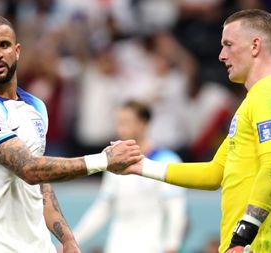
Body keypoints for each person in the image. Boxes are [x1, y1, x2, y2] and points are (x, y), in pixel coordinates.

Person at [110, 9, 271, 253]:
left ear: (255, 46)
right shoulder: (253, 101)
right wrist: (140, 166)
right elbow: (214, 173)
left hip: (261, 244)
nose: (222, 55)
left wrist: (243, 235)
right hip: (248, 244)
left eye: (228, 45)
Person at [0, 15, 143, 253]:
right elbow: (29, 169)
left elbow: (40, 182)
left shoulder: (36, 107)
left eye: (4, 45)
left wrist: (67, 238)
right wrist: (104, 161)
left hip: (37, 246)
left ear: (17, 50)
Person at [74, 100, 187, 253]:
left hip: (152, 247)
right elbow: (102, 209)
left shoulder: (167, 160)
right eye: (118, 122)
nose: (120, 127)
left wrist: (172, 246)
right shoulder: (113, 162)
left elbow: (176, 210)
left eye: (126, 122)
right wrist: (72, 241)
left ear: (143, 124)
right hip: (116, 247)